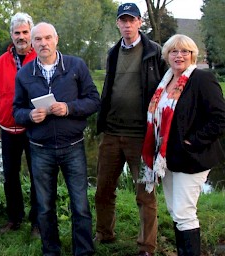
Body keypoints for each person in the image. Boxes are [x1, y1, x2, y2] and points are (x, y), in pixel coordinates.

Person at [13, 22, 100, 256]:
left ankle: (83, 251)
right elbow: (16, 111)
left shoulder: (76, 66)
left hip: (73, 146)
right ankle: (51, 251)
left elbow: (94, 100)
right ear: (32, 43)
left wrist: (69, 108)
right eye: (38, 39)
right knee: (44, 207)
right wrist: (30, 115)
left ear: (56, 39)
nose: (43, 43)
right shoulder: (24, 73)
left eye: (47, 38)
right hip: (40, 149)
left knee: (80, 205)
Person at [141, 34, 225, 256]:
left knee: (184, 212)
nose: (179, 56)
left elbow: (220, 119)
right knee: (175, 211)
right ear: (167, 55)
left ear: (192, 54)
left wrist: (192, 141)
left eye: (185, 51)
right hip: (167, 159)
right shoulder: (166, 80)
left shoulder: (201, 79)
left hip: (192, 158)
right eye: (174, 51)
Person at [94, 3, 167, 255]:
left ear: (139, 22)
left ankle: (146, 246)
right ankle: (104, 234)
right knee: (103, 189)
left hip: (142, 136)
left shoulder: (154, 52)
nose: (127, 24)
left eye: (131, 20)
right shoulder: (113, 52)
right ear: (117, 24)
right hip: (112, 133)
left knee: (145, 194)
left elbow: (168, 87)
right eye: (122, 20)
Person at [0, 12, 39, 236]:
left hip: (34, 127)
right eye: (17, 33)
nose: (21, 36)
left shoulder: (39, 57)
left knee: (39, 174)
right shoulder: (2, 61)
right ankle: (14, 218)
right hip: (8, 128)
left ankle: (38, 221)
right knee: (10, 175)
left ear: (32, 33)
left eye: (25, 32)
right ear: (11, 35)